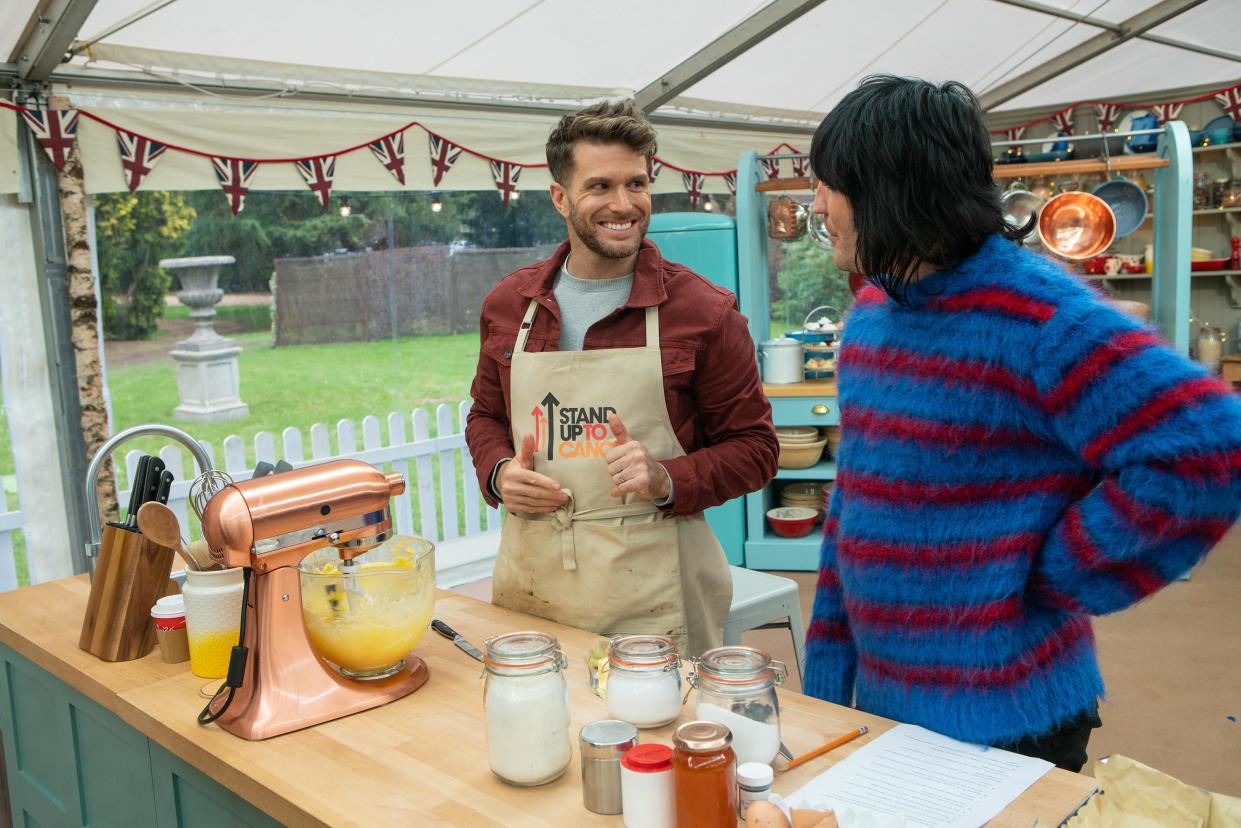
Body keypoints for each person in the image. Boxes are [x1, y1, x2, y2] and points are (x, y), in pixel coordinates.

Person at [801, 75, 1241, 771]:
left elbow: (1209, 446)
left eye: (830, 184)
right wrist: (825, 679)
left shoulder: (1041, 319)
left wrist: (1052, 573)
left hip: (1011, 720)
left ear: (891, 187)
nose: (818, 204)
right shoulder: (871, 319)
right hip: (887, 705)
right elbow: (854, 511)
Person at [465, 100, 778, 656]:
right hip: (534, 583)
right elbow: (486, 416)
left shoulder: (704, 313)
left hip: (656, 591)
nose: (623, 204)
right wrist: (497, 473)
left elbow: (756, 449)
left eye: (637, 184)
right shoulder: (509, 305)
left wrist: (666, 478)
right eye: (600, 186)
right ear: (560, 197)